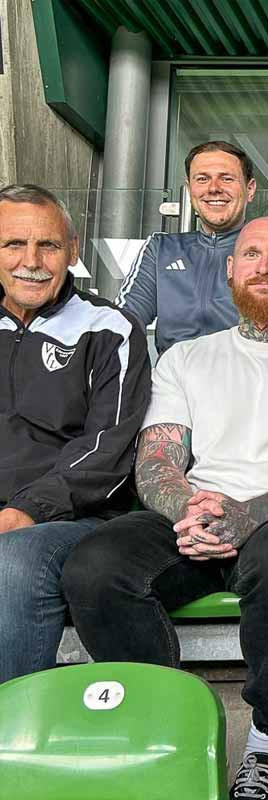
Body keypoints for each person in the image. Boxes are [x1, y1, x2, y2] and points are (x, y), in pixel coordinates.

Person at [63, 217, 268, 800]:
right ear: (230, 271)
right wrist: (190, 509)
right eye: (251, 254)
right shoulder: (185, 359)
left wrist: (247, 515)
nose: (264, 266)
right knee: (96, 565)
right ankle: (165, 729)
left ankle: (267, 744)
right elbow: (156, 460)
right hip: (195, 514)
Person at [0, 184, 150, 684]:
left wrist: (25, 511)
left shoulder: (110, 328)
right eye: (13, 245)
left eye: (48, 245)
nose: (31, 261)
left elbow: (107, 450)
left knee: (15, 561)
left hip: (70, 520)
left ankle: (12, 739)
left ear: (74, 249)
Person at [117, 140, 257, 355]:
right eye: (202, 179)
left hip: (246, 379)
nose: (214, 188)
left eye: (226, 178)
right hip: (172, 382)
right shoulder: (161, 248)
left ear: (250, 189)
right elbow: (123, 321)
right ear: (190, 189)